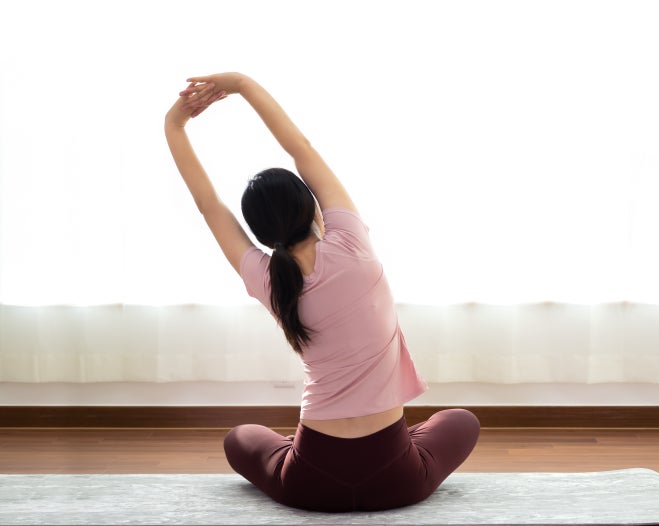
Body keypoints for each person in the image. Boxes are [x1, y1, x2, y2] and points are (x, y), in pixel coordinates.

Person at [164, 72, 480, 512]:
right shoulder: (351, 240)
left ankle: (303, 448)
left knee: (240, 437)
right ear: (311, 203)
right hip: (398, 478)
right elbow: (301, 149)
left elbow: (208, 205)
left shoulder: (267, 278)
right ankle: (386, 444)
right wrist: (241, 84)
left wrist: (174, 125)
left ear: (259, 233)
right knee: (461, 421)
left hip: (309, 482)